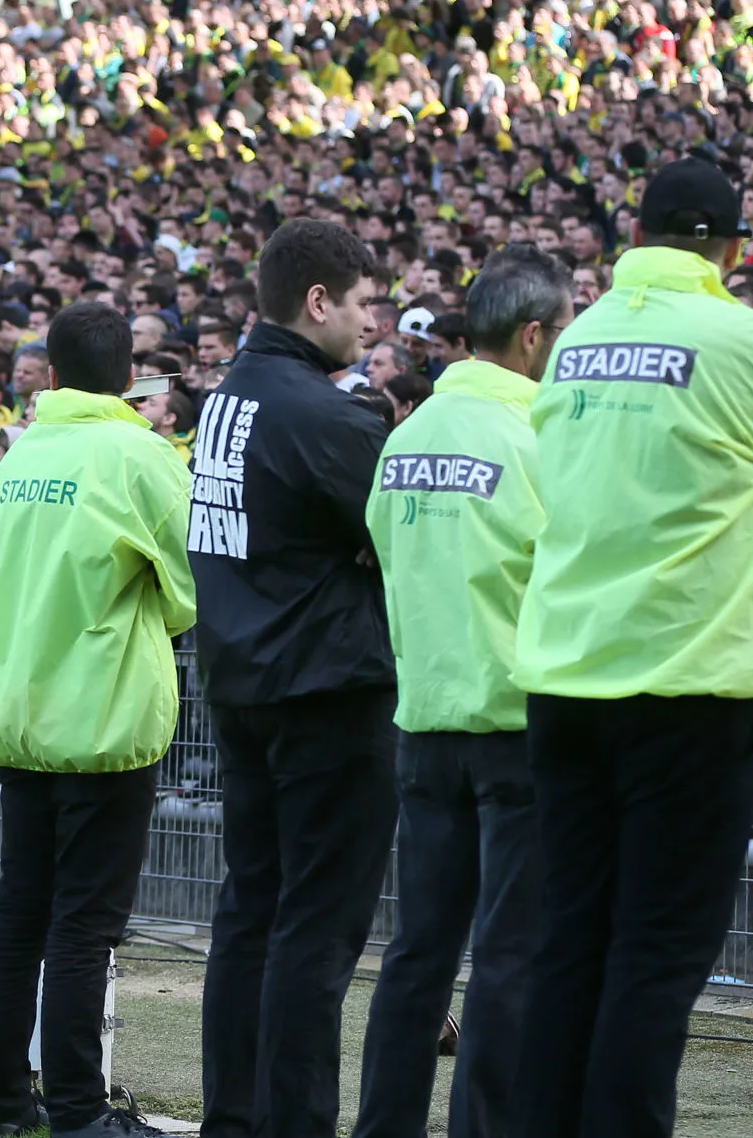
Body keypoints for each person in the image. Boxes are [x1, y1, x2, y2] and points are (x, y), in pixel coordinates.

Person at [511, 159, 753, 1138]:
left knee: (569, 939)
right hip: (685, 684)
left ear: (635, 235)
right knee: (653, 954)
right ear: (732, 249)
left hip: (564, 679)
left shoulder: (574, 342)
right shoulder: (735, 339)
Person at [355, 247, 572, 1138]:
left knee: (417, 954)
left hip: (426, 719)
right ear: (531, 336)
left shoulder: (407, 435)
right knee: (510, 955)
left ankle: (383, 1127)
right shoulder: (540, 440)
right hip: (518, 724)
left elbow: (380, 551)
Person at [190, 220, 398, 1138]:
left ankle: (235, 1117)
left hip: (241, 680)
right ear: (318, 301)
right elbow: (398, 540)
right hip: (325, 690)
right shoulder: (322, 411)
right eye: (361, 304)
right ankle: (296, 1123)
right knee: (315, 926)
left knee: (250, 912)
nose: (372, 324)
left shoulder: (227, 395)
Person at [0, 303, 196, 1138]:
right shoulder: (141, 454)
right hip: (103, 718)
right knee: (82, 927)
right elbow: (191, 585)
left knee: (20, 915)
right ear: (128, 369)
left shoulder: (24, 452)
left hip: (24, 711)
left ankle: (4, 1105)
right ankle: (75, 1110)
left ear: (53, 372)